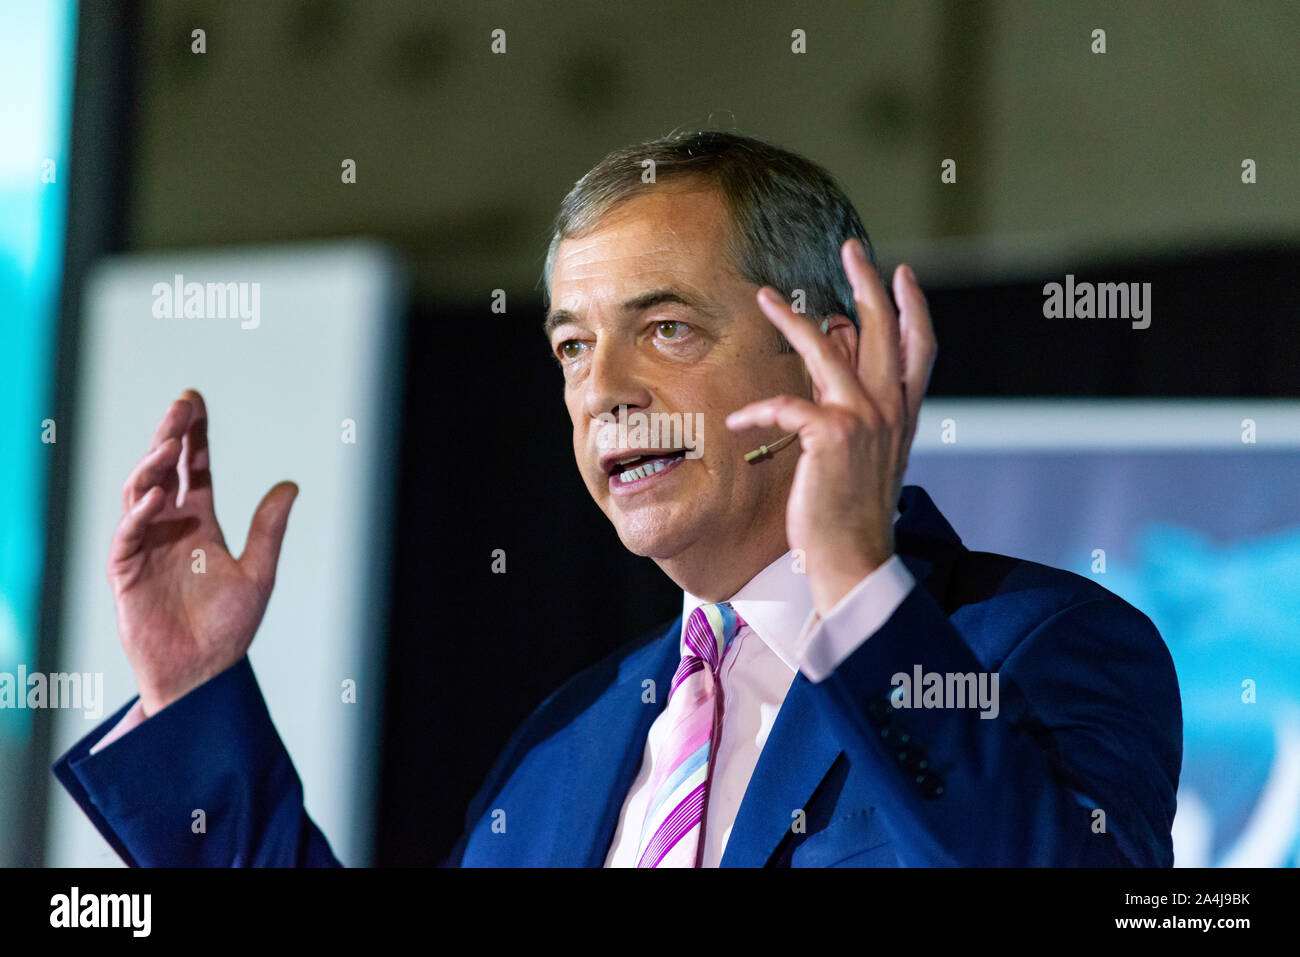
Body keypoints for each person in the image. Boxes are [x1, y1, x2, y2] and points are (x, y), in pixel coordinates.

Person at [54, 130, 1182, 867]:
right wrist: (195, 694)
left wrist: (852, 580)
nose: (604, 393)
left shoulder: (1043, 650)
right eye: (571, 347)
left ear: (828, 358)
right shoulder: (564, 744)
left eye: (667, 329)